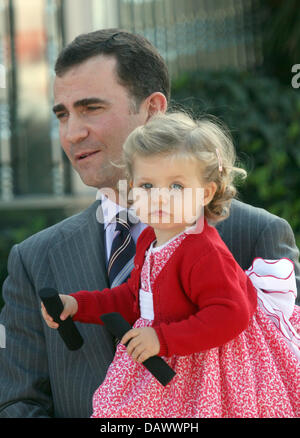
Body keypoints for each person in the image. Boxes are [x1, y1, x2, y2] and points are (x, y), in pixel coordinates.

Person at [0, 29, 299, 419]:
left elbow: (283, 379)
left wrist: (164, 338)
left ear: (153, 110)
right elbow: (20, 404)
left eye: (91, 108)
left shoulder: (255, 234)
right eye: (62, 114)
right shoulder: (32, 258)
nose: (72, 133)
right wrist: (79, 304)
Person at [42, 112, 300, 418]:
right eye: (147, 186)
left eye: (176, 187)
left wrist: (163, 339)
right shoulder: (150, 239)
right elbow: (132, 299)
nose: (159, 199)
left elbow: (231, 314)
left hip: (201, 366)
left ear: (206, 192)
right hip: (162, 357)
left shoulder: (203, 249)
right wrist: (77, 304)